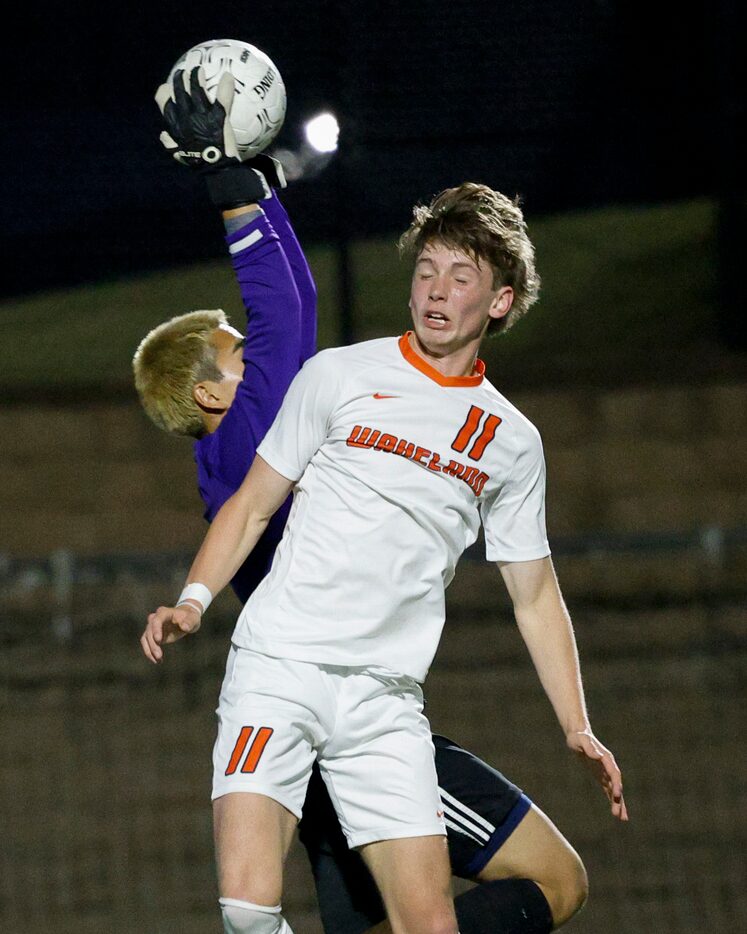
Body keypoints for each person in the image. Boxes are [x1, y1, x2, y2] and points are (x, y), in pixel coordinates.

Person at [137, 68, 626, 934]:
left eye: (460, 274)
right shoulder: (283, 413)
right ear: (211, 395)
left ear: (500, 299)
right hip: (290, 687)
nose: (436, 288)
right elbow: (287, 309)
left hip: (376, 703)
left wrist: (260, 190)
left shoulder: (502, 437)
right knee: (259, 913)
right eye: (238, 352)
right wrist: (236, 189)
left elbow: (534, 589)